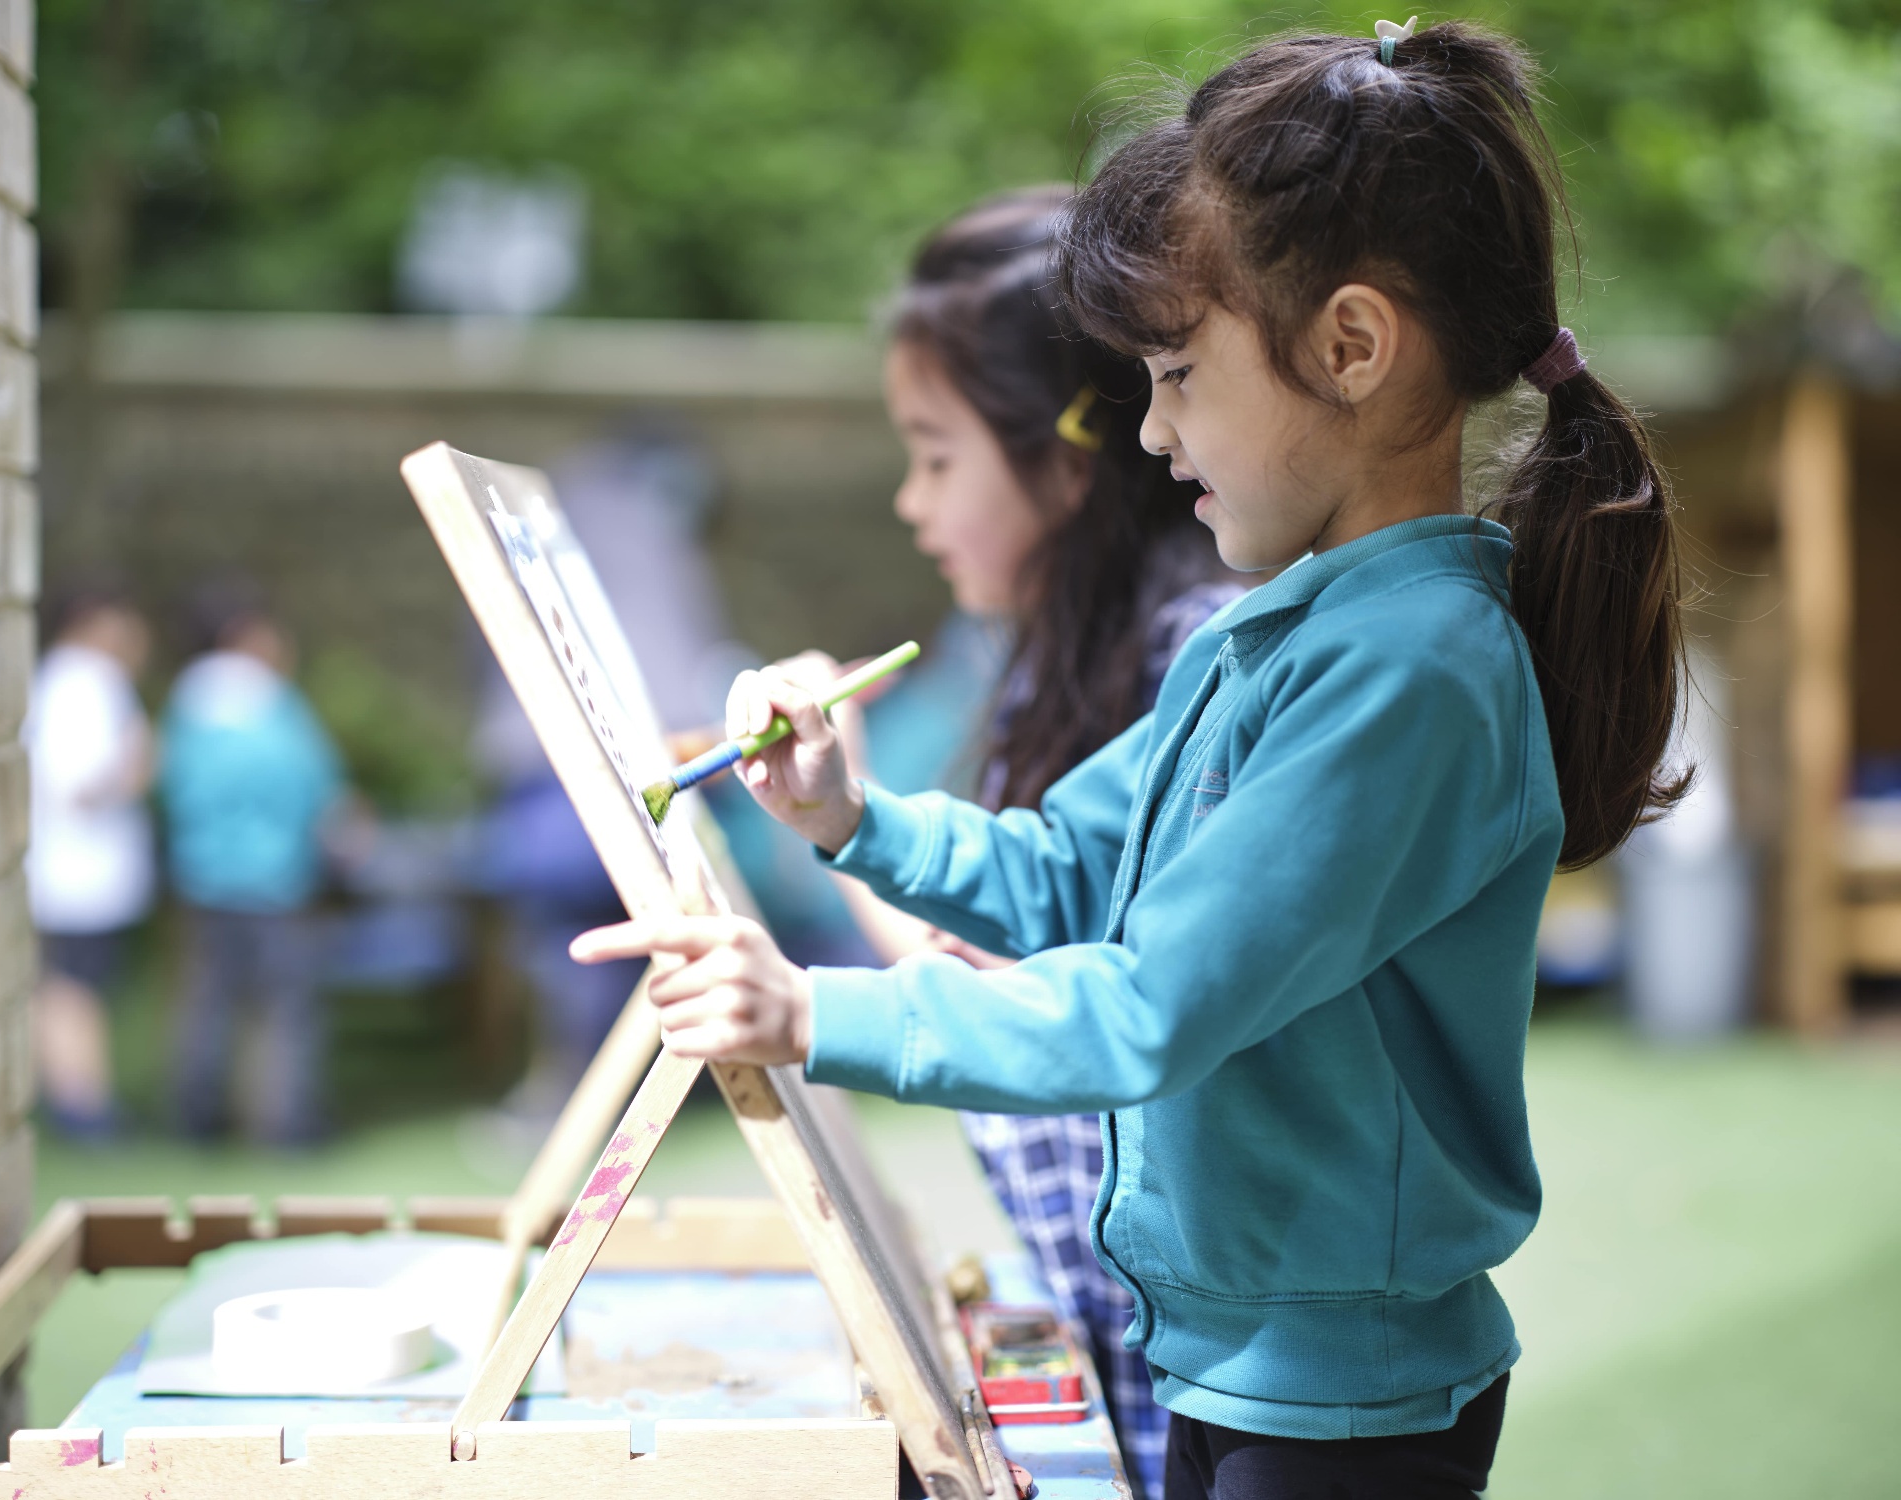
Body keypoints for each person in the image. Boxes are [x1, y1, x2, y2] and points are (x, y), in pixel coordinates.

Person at [570, 21, 1687, 1500]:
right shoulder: (1277, 634)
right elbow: (1064, 872)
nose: (1148, 430)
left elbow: (1152, 1005)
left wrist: (808, 1011)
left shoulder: (1412, 673)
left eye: (1173, 370)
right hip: (1235, 1368)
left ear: (1350, 346)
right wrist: (850, 818)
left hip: (1342, 1411)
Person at [829, 185, 1256, 1497]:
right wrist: (834, 810)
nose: (910, 501)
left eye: (935, 454)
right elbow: (996, 953)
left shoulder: (1207, 668)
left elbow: (1069, 1015)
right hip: (1136, 1339)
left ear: (1070, 457)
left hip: (1213, 1369)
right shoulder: (1053, 665)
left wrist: (840, 822)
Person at [161, 593, 345, 1145]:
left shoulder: (185, 702)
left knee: (207, 1003)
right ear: (246, 632)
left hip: (203, 875)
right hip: (277, 877)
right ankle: (286, 1123)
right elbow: (315, 786)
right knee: (286, 1006)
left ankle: (197, 1116)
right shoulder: (273, 701)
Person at [24, 587, 157, 1139]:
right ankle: (81, 1105)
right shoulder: (86, 684)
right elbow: (80, 785)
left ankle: (80, 1098)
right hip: (78, 874)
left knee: (70, 983)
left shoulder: (65, 679)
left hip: (71, 871)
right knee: (71, 986)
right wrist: (138, 765)